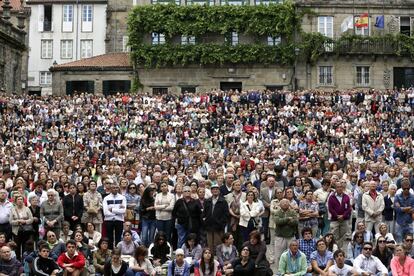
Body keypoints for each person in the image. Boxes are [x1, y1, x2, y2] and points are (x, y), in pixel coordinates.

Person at [273, 198, 298, 271]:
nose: (285, 204)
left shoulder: (293, 212)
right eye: (283, 203)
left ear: (289, 204)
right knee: (279, 255)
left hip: (291, 237)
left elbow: (295, 222)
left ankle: (291, 270)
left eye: (286, 202)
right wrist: (288, 219)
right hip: (280, 237)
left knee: (292, 254)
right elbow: (277, 222)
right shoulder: (277, 212)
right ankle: (279, 271)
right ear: (280, 205)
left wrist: (284, 221)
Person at [203, 183, 229, 251]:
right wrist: (205, 222)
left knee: (218, 245)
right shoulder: (207, 201)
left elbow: (226, 214)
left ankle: (218, 259)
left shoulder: (223, 201)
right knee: (210, 245)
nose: (215, 190)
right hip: (209, 226)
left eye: (217, 189)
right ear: (211, 191)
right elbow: (204, 213)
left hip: (218, 227)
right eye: (213, 189)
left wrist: (221, 223)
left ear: (219, 191)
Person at [327, 181, 352, 250]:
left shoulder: (346, 197)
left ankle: (339, 249)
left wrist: (343, 216)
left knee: (343, 236)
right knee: (334, 236)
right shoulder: (331, 197)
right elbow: (330, 208)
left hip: (344, 220)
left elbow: (349, 208)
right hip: (335, 220)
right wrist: (337, 216)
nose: (340, 188)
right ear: (335, 188)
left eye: (341, 187)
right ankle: (334, 249)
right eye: (338, 187)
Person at [9, 194, 34, 260]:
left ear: (23, 201)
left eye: (21, 199)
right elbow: (10, 221)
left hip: (26, 231)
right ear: (16, 201)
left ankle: (24, 261)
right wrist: (18, 221)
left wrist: (25, 222)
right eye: (18, 199)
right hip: (16, 231)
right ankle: (17, 261)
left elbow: (31, 219)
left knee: (25, 247)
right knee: (17, 247)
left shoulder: (27, 208)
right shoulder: (12, 209)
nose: (20, 201)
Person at [103, 183, 126, 249]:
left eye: (117, 188)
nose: (115, 189)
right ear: (110, 189)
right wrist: (117, 211)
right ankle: (110, 251)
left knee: (118, 237)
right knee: (109, 238)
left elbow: (123, 211)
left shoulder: (122, 198)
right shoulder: (106, 198)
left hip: (119, 220)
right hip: (108, 220)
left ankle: (117, 251)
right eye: (114, 188)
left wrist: (112, 210)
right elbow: (105, 212)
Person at [394, 178, 414, 243]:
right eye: (404, 188)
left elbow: (413, 209)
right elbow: (397, 209)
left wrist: (402, 208)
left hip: (409, 223)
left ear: (410, 187)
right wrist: (408, 208)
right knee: (399, 242)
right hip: (400, 223)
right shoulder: (397, 196)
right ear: (401, 187)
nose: (406, 190)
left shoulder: (413, 197)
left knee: (409, 242)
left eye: (407, 188)